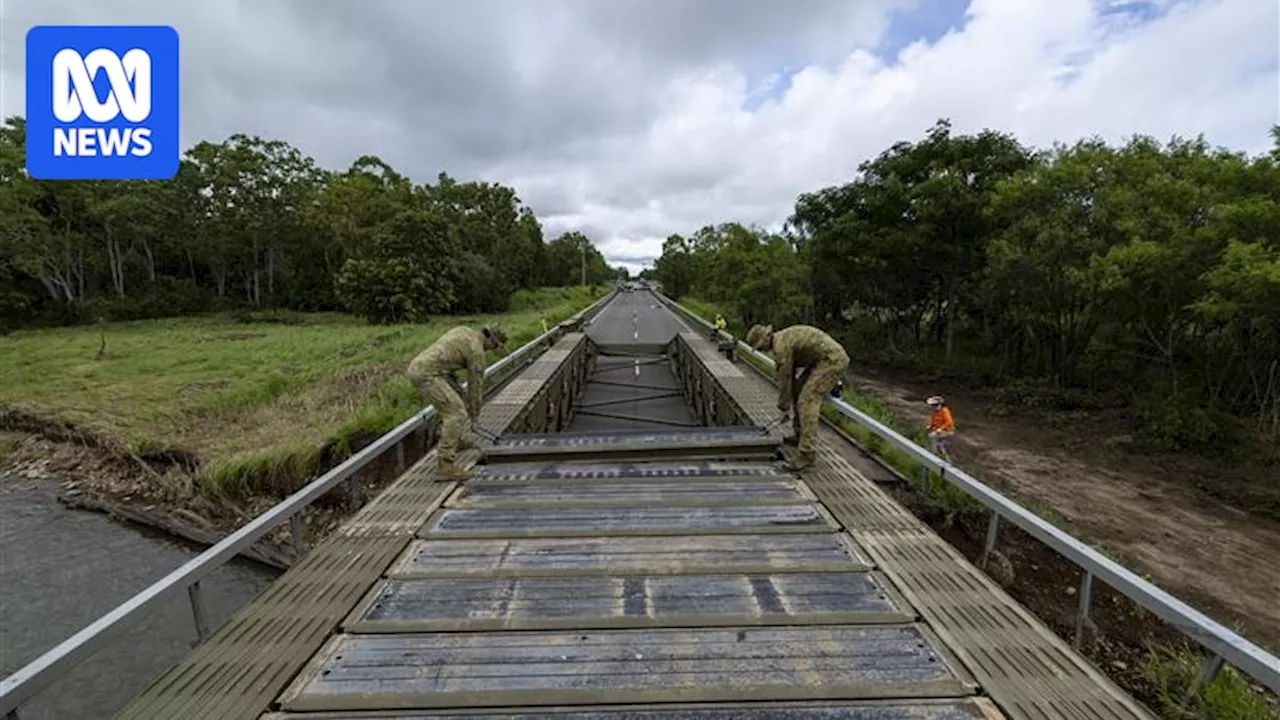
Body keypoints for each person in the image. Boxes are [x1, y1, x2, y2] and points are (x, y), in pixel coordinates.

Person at [745, 323, 849, 472]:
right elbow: (791, 383)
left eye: (760, 347)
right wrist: (786, 405)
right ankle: (800, 434)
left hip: (832, 360)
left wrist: (784, 408)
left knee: (808, 400)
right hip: (820, 360)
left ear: (766, 338)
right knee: (800, 390)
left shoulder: (781, 347)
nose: (763, 351)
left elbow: (785, 380)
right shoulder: (782, 341)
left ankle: (807, 455)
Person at [406, 325, 506, 479]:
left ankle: (455, 441)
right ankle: (445, 465)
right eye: (494, 346)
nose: (491, 350)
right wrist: (475, 417)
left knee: (460, 400)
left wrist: (461, 393)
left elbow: (449, 359)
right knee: (456, 413)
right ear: (490, 338)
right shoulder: (477, 351)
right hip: (427, 374)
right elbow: (475, 387)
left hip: (428, 368)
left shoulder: (465, 331)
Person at [925, 395, 955, 461]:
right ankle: (945, 458)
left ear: (940, 405)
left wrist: (941, 429)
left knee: (932, 436)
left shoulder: (945, 411)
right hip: (938, 430)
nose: (933, 407)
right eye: (933, 405)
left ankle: (933, 453)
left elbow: (949, 422)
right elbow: (932, 420)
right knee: (940, 446)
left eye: (935, 405)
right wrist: (930, 426)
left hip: (948, 431)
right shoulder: (934, 412)